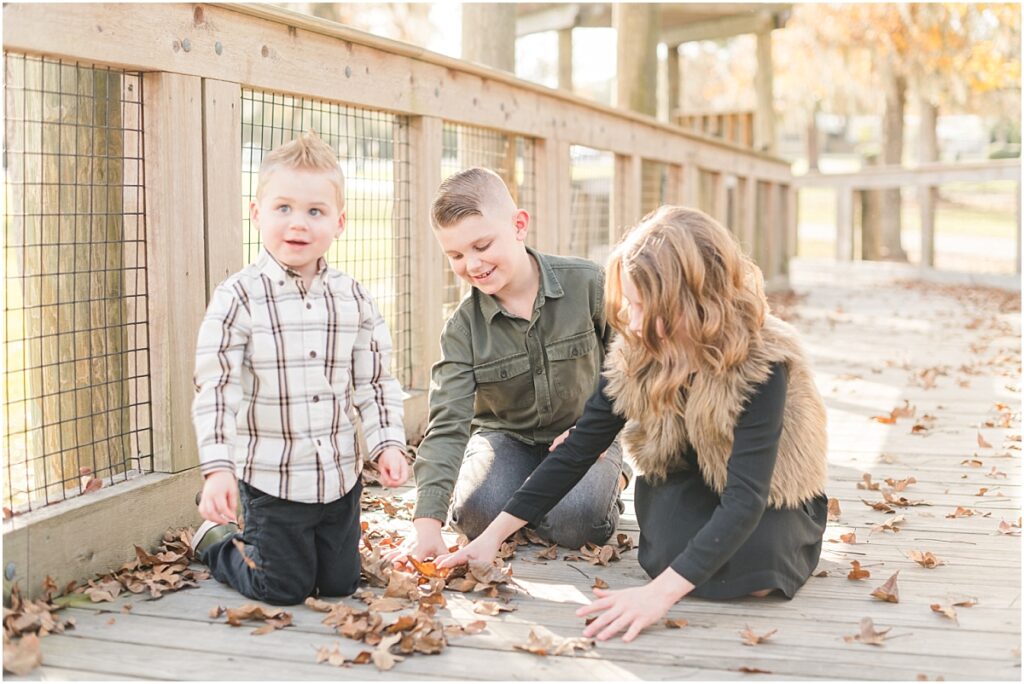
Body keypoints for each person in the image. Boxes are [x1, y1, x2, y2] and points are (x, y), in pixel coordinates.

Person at [437, 205, 829, 642]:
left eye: (646, 307)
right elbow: (580, 448)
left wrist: (655, 597)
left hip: (768, 491)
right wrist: (491, 537)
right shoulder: (638, 348)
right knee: (668, 550)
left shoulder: (762, 361)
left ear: (696, 300)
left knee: (755, 569)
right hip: (685, 474)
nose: (634, 323)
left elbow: (746, 498)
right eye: (630, 305)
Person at [189, 132, 409, 605]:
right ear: (257, 214)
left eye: (315, 211)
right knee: (282, 588)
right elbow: (217, 386)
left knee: (338, 585)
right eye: (283, 208)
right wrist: (218, 469)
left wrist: (387, 443)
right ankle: (215, 541)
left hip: (337, 477)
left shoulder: (352, 297)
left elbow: (374, 380)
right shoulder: (238, 297)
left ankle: (314, 555)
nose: (298, 224)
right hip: (273, 478)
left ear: (339, 222)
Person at [401, 167, 628, 562]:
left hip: (584, 435)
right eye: (455, 255)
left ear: (519, 225)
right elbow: (447, 424)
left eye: (482, 245)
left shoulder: (588, 285)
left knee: (577, 522)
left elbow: (634, 370)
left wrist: (593, 433)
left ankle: (612, 477)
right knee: (475, 515)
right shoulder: (462, 329)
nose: (472, 264)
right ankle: (521, 499)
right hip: (507, 439)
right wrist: (427, 523)